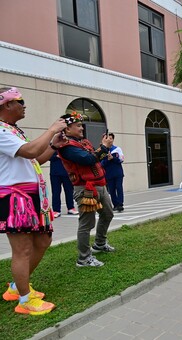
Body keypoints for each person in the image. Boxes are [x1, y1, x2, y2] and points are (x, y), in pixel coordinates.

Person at [0, 86, 67, 315]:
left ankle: (16, 287)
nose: (24, 106)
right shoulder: (0, 131)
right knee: (23, 249)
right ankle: (25, 300)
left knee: (43, 241)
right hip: (15, 196)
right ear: (6, 105)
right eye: (20, 101)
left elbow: (38, 157)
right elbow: (29, 151)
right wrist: (52, 129)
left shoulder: (12, 130)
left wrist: (54, 145)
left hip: (32, 194)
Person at [56, 112, 115, 267]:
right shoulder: (67, 146)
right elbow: (88, 159)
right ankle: (84, 258)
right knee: (86, 223)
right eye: (78, 126)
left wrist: (103, 151)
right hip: (85, 188)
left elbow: (94, 158)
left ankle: (100, 244)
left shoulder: (83, 142)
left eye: (81, 125)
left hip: (99, 185)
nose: (82, 128)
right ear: (67, 129)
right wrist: (104, 147)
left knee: (108, 214)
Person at [101, 133, 125, 212]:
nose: (109, 140)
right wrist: (107, 159)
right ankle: (115, 205)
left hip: (118, 173)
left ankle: (120, 204)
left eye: (111, 138)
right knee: (111, 190)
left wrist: (113, 158)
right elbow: (101, 164)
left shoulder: (117, 149)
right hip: (109, 174)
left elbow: (121, 160)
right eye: (108, 138)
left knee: (119, 187)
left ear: (113, 139)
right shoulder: (102, 150)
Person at [49, 152, 79, 218]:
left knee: (69, 191)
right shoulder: (52, 147)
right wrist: (56, 156)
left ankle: (71, 208)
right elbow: (48, 157)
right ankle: (56, 210)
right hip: (55, 173)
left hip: (67, 172)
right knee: (56, 192)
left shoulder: (66, 146)